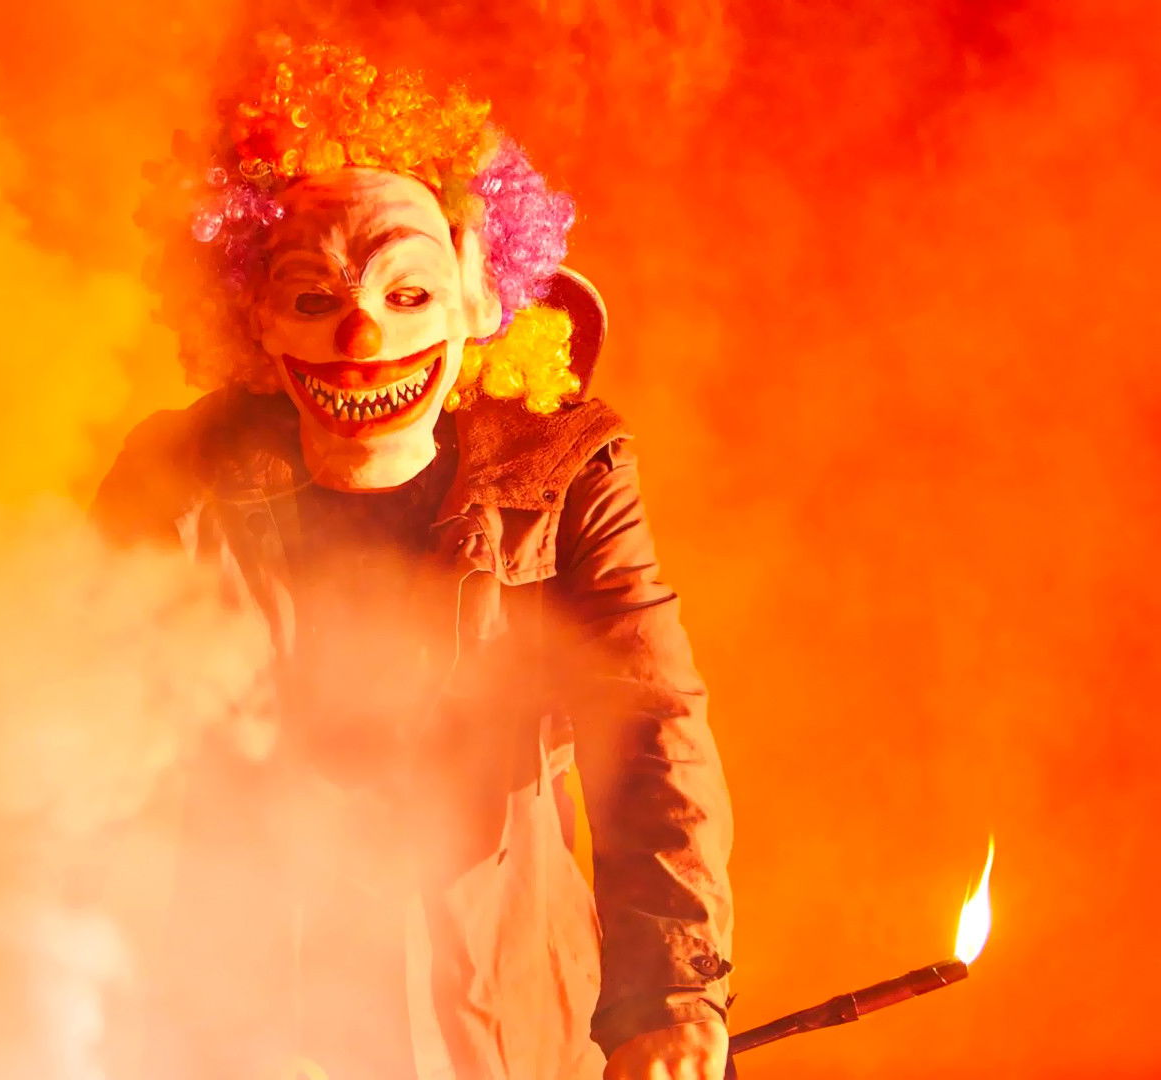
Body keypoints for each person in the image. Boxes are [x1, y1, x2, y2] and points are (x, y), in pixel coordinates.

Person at [95, 38, 733, 1080]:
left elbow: (648, 723)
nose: (361, 340)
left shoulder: (570, 468)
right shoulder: (174, 479)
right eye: (314, 298)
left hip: (505, 1024)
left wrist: (668, 997)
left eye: (407, 294)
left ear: (480, 297)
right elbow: (74, 746)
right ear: (249, 316)